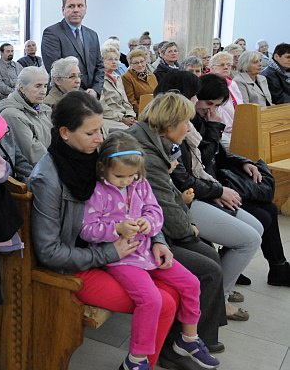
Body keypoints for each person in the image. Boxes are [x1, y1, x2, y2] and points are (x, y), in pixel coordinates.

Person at [29, 90, 181, 369]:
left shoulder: (97, 157)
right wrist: (109, 253)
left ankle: (138, 364)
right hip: (77, 265)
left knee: (171, 298)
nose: (100, 138)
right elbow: (50, 252)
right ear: (64, 132)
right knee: (163, 303)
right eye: (91, 133)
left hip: (116, 253)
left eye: (100, 129)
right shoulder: (48, 179)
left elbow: (139, 195)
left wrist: (157, 238)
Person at [80, 132, 219, 370]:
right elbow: (86, 230)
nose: (126, 181)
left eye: (132, 175)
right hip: (121, 259)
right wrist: (117, 229)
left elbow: (155, 212)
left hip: (148, 253)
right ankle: (136, 359)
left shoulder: (140, 184)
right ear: (103, 168)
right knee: (151, 299)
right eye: (119, 176)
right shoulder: (98, 192)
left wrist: (148, 223)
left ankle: (188, 339)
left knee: (191, 283)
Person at [155, 73, 264, 321]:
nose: (199, 103)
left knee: (257, 225)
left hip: (200, 191)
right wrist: (216, 191)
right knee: (249, 240)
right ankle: (217, 300)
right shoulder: (170, 129)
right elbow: (182, 180)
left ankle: (219, 287)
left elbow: (205, 162)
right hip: (183, 202)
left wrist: (218, 188)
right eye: (198, 97)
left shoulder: (188, 124)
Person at [126, 92, 227, 355]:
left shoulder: (155, 141)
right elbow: (164, 205)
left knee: (208, 253)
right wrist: (186, 229)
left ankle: (201, 335)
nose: (188, 128)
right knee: (206, 268)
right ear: (170, 124)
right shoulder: (144, 151)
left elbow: (170, 193)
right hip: (141, 237)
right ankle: (177, 349)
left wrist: (189, 223)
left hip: (155, 230)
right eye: (186, 122)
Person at [193, 73, 290, 288]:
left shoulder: (204, 117)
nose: (211, 109)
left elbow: (219, 153)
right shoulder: (194, 121)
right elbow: (200, 160)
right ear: (196, 96)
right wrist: (214, 128)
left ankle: (277, 267)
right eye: (208, 103)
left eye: (216, 105)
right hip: (207, 187)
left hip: (216, 180)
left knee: (268, 209)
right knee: (262, 216)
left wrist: (243, 162)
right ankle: (235, 263)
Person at [42, 0, 104, 96]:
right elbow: (56, 70)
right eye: (71, 6)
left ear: (85, 9)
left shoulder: (92, 35)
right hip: (64, 97)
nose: (76, 10)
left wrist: (95, 90)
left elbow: (100, 66)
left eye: (80, 6)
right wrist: (83, 94)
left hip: (91, 96)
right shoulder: (52, 33)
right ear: (63, 10)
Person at [0, 66, 52, 165]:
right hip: (38, 172)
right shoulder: (11, 115)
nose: (43, 91)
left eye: (45, 86)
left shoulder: (45, 109)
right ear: (22, 88)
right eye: (38, 86)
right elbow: (34, 155)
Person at [208, 51, 242, 147]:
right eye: (222, 65)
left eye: (228, 65)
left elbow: (239, 104)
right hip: (221, 129)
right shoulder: (209, 84)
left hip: (237, 128)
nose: (226, 67)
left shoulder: (232, 84)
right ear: (212, 68)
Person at [100, 46, 136, 132]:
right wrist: (122, 118)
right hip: (109, 118)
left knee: (145, 130)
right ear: (102, 61)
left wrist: (130, 115)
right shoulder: (99, 80)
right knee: (132, 133)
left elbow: (125, 101)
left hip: (124, 117)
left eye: (116, 59)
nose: (114, 62)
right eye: (110, 59)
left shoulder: (118, 78)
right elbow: (102, 107)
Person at [122, 47, 158, 115]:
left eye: (142, 61)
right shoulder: (127, 77)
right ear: (130, 64)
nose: (140, 65)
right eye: (136, 63)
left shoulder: (152, 76)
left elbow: (158, 94)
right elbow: (131, 101)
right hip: (141, 112)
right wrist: (145, 113)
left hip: (155, 110)